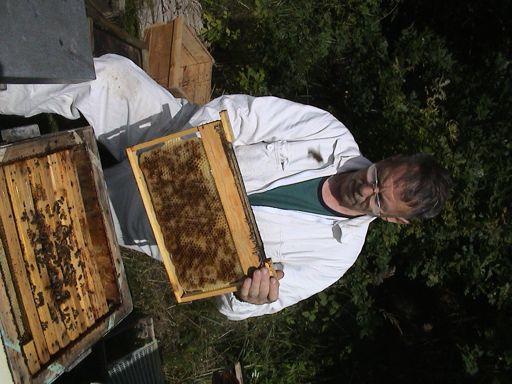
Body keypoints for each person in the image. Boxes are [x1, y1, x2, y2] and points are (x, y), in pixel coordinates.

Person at [0, 54, 451, 320]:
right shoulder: (328, 132)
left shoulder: (334, 256)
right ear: (389, 159)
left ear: (392, 220)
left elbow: (246, 306)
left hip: (166, 226)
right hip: (173, 133)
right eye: (376, 177)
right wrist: (186, 148)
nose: (364, 189)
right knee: (105, 76)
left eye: (378, 201)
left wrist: (246, 295)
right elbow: (243, 113)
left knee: (54, 206)